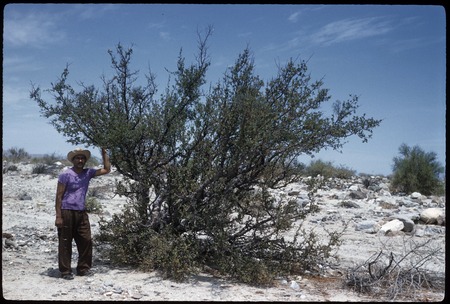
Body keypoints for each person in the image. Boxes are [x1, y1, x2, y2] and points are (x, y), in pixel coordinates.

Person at [55, 147, 111, 280]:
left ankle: (83, 268)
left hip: (81, 211)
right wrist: (58, 216)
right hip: (66, 211)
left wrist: (104, 153)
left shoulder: (88, 173)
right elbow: (58, 196)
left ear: (85, 160)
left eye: (82, 158)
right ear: (73, 160)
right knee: (65, 241)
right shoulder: (66, 174)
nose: (80, 160)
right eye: (77, 158)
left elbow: (107, 169)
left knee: (86, 240)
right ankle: (65, 271)